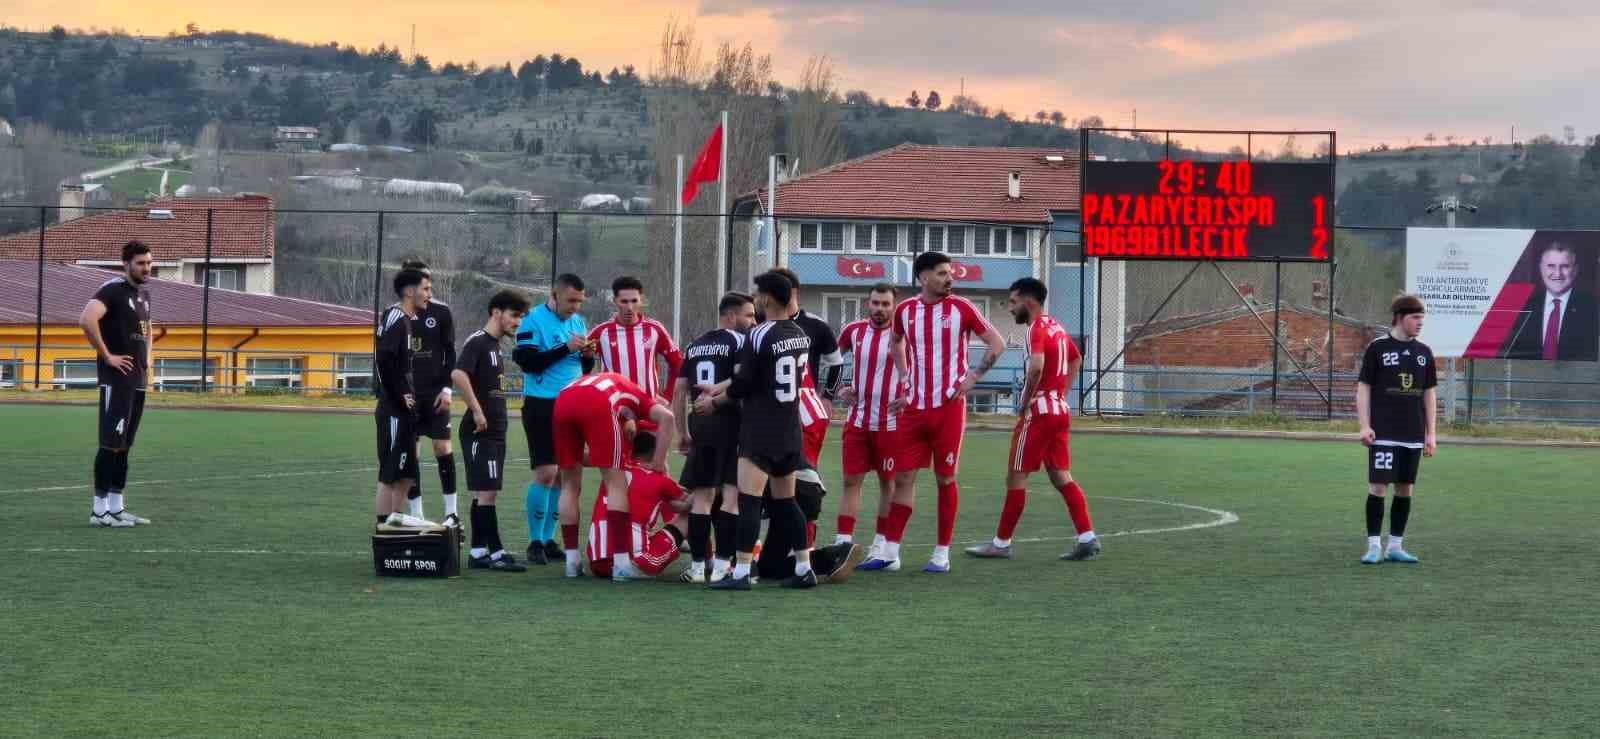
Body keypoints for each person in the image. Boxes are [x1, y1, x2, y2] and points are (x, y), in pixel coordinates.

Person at [859, 251, 1006, 574]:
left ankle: (941, 553)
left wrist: (974, 376)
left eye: (950, 272)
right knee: (903, 478)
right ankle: (891, 553)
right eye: (942, 273)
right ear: (923, 277)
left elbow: (996, 342)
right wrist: (906, 375)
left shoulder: (962, 308)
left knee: (945, 478)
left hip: (948, 410)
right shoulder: (906, 311)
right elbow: (895, 343)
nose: (949, 278)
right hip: (914, 409)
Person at [965, 278, 1102, 562]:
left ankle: (1001, 544)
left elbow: (1036, 366)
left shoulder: (1035, 328)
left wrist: (1025, 400)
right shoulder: (1057, 326)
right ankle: (1087, 537)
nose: (1011, 308)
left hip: (1039, 412)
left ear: (1028, 302)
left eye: (1013, 302)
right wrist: (1061, 393)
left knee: (1016, 475)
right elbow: (1076, 359)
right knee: (1060, 475)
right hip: (1059, 411)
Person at [702, 271, 818, 590]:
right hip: (790, 429)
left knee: (749, 501)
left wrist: (716, 401)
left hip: (760, 429)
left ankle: (740, 573)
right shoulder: (798, 332)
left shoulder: (760, 333)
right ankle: (804, 568)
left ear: (766, 298)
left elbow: (744, 383)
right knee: (786, 500)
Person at [551, 371, 676, 580]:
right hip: (598, 400)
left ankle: (571, 561)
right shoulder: (636, 396)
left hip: (562, 399)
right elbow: (667, 418)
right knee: (615, 483)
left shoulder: (612, 385)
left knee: (570, 485)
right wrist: (658, 463)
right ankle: (620, 563)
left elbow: (587, 457)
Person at [671, 292, 755, 583]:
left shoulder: (695, 346)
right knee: (731, 498)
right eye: (749, 315)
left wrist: (682, 432)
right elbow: (744, 381)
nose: (753, 321)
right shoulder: (741, 342)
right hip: (731, 423)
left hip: (701, 426)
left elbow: (679, 391)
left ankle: (696, 569)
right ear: (731, 316)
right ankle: (721, 568)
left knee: (702, 499)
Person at [511, 273, 594, 565]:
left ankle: (548, 540)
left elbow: (584, 368)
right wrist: (566, 348)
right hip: (542, 405)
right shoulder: (532, 321)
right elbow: (528, 363)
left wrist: (586, 354)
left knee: (564, 473)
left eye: (580, 302)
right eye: (571, 300)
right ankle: (534, 541)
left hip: (572, 402)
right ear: (554, 295)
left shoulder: (578, 323)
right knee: (546, 472)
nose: (575, 307)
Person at [452, 288, 532, 572]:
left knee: (484, 493)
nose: (517, 322)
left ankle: (477, 552)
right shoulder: (478, 342)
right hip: (480, 431)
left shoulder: (495, 346)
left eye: (521, 317)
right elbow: (458, 374)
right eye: (514, 315)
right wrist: (476, 409)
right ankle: (496, 553)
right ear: (496, 312)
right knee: (487, 493)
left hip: (495, 430)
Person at [1356, 294, 1438, 564]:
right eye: (1415, 318)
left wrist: (1431, 433)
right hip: (1383, 433)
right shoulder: (1377, 348)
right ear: (1400, 318)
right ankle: (1372, 546)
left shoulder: (1424, 353)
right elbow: (1364, 387)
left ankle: (1395, 546)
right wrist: (1365, 425)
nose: (1420, 323)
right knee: (1378, 487)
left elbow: (1429, 394)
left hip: (1412, 434)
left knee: (1405, 489)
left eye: (1422, 318)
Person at [79, 240, 155, 528]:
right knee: (109, 444)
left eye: (148, 263)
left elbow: (148, 331)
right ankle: (98, 511)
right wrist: (108, 356)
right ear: (126, 264)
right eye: (140, 263)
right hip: (116, 381)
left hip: (137, 381)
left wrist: (148, 358)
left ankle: (116, 507)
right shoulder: (111, 289)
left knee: (124, 446)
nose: (146, 268)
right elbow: (87, 320)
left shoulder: (144, 295)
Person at [767, 267, 843, 547]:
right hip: (775, 413)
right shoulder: (765, 322)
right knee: (773, 479)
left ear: (793, 293)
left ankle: (805, 547)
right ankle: (780, 545)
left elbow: (836, 362)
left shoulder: (815, 324)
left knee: (802, 480)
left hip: (806, 413)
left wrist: (827, 397)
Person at [833, 283, 903, 558]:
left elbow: (923, 370)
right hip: (858, 421)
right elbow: (831, 361)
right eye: (875, 303)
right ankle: (842, 543)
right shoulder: (854, 331)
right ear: (868, 304)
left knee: (889, 483)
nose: (880, 309)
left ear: (893, 306)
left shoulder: (904, 334)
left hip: (891, 424)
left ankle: (882, 544)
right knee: (851, 482)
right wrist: (838, 389)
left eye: (886, 304)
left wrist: (909, 396)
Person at [396, 259, 459, 526]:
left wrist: (447, 388)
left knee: (443, 447)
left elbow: (451, 353)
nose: (427, 290)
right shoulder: (396, 315)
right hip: (409, 396)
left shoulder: (441, 312)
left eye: (428, 283)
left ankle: (451, 512)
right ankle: (417, 513)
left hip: (435, 393)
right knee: (412, 452)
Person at [584, 433, 692, 579]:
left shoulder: (614, 472)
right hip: (634, 564)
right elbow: (687, 505)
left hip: (598, 563)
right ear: (657, 454)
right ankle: (706, 563)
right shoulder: (659, 480)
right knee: (695, 512)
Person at [373, 268, 430, 526]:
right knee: (389, 473)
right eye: (426, 289)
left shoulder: (407, 320)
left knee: (408, 473)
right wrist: (400, 395)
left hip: (406, 410)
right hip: (393, 409)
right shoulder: (395, 317)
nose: (429, 294)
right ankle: (384, 528)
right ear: (410, 290)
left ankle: (395, 522)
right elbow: (383, 360)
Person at [587, 275, 682, 401]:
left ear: (641, 300)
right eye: (624, 301)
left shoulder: (655, 329)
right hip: (614, 408)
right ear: (614, 300)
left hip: (648, 410)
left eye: (634, 301)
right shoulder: (601, 332)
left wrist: (668, 396)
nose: (630, 307)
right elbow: (580, 362)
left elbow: (677, 364)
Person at [1504, 241, 1599, 361]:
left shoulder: (1593, 308)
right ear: (1541, 268)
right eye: (1551, 266)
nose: (1557, 273)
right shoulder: (1524, 306)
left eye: (1565, 266)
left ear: (1575, 270)